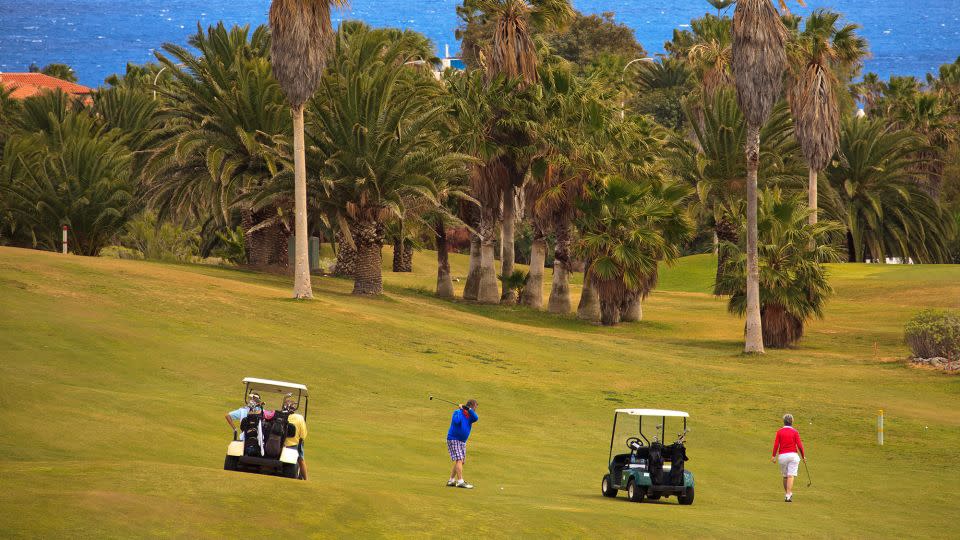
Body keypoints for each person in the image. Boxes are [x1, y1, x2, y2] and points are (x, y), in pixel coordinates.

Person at [770, 413, 806, 502]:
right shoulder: (795, 432)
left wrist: (773, 456)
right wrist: (803, 456)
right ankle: (788, 494)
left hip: (782, 456)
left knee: (785, 476)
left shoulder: (779, 431)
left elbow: (776, 444)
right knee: (790, 476)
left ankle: (788, 494)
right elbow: (799, 445)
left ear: (784, 421)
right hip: (793, 456)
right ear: (792, 422)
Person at [446, 399, 479, 489]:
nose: (475, 409)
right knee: (459, 459)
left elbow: (476, 418)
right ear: (472, 406)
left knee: (461, 461)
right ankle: (460, 481)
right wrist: (461, 410)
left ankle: (451, 480)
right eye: (475, 407)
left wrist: (468, 410)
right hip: (454, 439)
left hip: (462, 441)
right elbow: (457, 421)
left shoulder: (471, 416)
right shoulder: (457, 412)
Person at [282, 394, 308, 480]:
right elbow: (303, 435)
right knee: (301, 460)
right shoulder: (299, 418)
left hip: (281, 444)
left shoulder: (281, 416)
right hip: (294, 445)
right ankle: (306, 479)